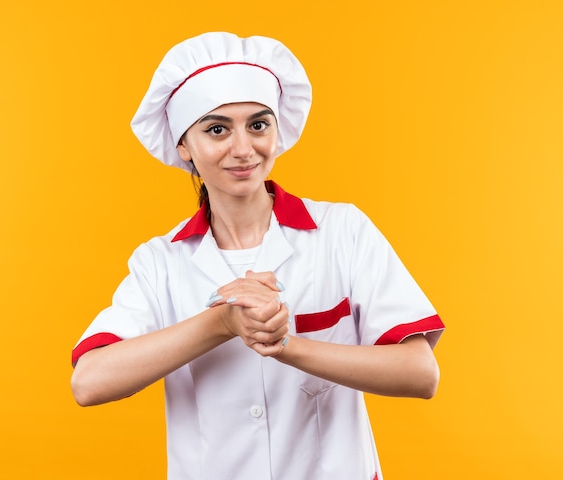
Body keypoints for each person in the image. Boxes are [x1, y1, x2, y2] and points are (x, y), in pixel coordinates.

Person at [70, 32, 445, 480]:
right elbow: (89, 383)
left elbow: (420, 373)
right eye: (216, 129)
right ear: (183, 146)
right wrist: (221, 323)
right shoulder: (160, 262)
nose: (244, 148)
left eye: (258, 125)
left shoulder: (342, 231)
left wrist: (284, 345)